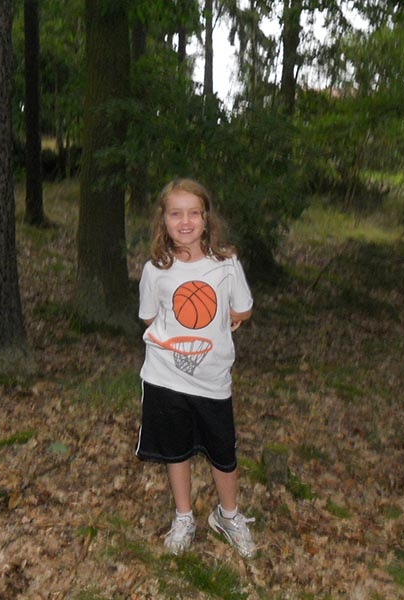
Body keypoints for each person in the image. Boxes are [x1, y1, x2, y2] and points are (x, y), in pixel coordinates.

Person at [135, 177, 257, 559]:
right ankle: (184, 516)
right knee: (176, 452)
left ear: (207, 219)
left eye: (193, 213)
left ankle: (228, 515)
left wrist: (231, 317)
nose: (185, 221)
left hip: (212, 378)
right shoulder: (156, 269)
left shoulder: (225, 264)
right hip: (165, 376)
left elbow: (243, 308)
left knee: (223, 453)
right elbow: (149, 317)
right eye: (176, 214)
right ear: (163, 220)